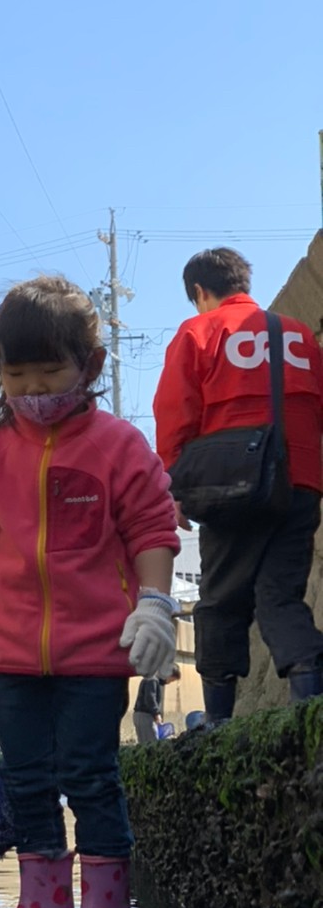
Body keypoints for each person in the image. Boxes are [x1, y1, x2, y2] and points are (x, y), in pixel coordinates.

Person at [0, 276, 180, 908]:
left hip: (95, 652)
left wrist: (154, 604)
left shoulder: (120, 446)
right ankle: (41, 906)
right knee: (28, 777)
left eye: (49, 372)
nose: (33, 391)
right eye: (16, 375)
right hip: (12, 653)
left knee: (90, 774)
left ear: (88, 366)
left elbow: (153, 529)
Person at [152, 247, 323, 723]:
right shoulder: (297, 333)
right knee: (281, 594)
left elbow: (175, 411)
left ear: (200, 292)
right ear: (244, 284)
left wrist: (175, 483)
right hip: (301, 482)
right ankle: (309, 700)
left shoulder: (199, 331)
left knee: (222, 598)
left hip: (233, 485)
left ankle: (218, 720)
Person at [132, 666, 180, 744]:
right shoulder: (153, 680)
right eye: (171, 680)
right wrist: (156, 714)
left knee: (143, 743)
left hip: (140, 715)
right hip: (145, 716)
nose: (169, 683)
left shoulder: (151, 679)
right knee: (151, 743)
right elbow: (150, 698)